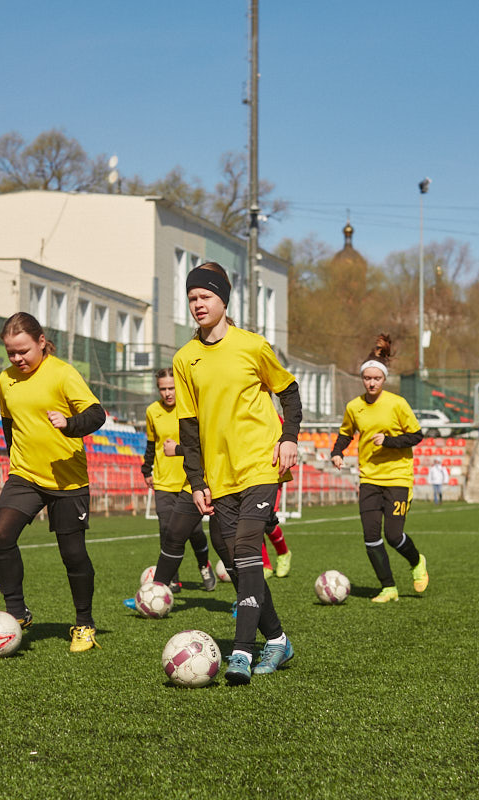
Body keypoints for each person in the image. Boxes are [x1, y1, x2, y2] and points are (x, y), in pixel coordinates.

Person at [174, 261, 301, 685]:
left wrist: (290, 438)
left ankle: (242, 653)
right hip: (218, 475)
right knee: (230, 556)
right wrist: (196, 482)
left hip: (261, 464)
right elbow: (189, 429)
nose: (197, 304)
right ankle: (278, 639)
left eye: (205, 297)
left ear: (223, 300)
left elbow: (289, 391)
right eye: (192, 298)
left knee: (248, 544)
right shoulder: (184, 359)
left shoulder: (253, 346)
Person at [0, 312, 108, 653]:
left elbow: (97, 414)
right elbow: (8, 422)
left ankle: (84, 624)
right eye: (11, 352)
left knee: (72, 554)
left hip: (67, 479)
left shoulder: (62, 373)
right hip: (24, 474)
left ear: (41, 341)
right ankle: (17, 612)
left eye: (23, 350)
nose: (17, 359)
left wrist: (69, 423)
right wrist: (15, 460)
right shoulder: (5, 379)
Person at [330, 334, 429, 603]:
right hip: (369, 478)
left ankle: (417, 560)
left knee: (394, 536)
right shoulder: (354, 407)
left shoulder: (397, 404)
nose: (371, 382)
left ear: (384, 380)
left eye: (376, 378)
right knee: (371, 537)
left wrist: (389, 441)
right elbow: (345, 433)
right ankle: (388, 587)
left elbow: (416, 436)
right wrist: (337, 452)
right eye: (367, 378)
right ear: (362, 379)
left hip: (398, 477)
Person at [127, 367, 218, 607]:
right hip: (164, 481)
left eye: (171, 388)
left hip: (190, 481)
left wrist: (179, 449)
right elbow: (151, 443)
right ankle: (172, 582)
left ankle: (203, 565)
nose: (167, 393)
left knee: (194, 531)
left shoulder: (192, 409)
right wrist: (147, 469)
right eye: (163, 389)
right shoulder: (152, 411)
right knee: (167, 530)